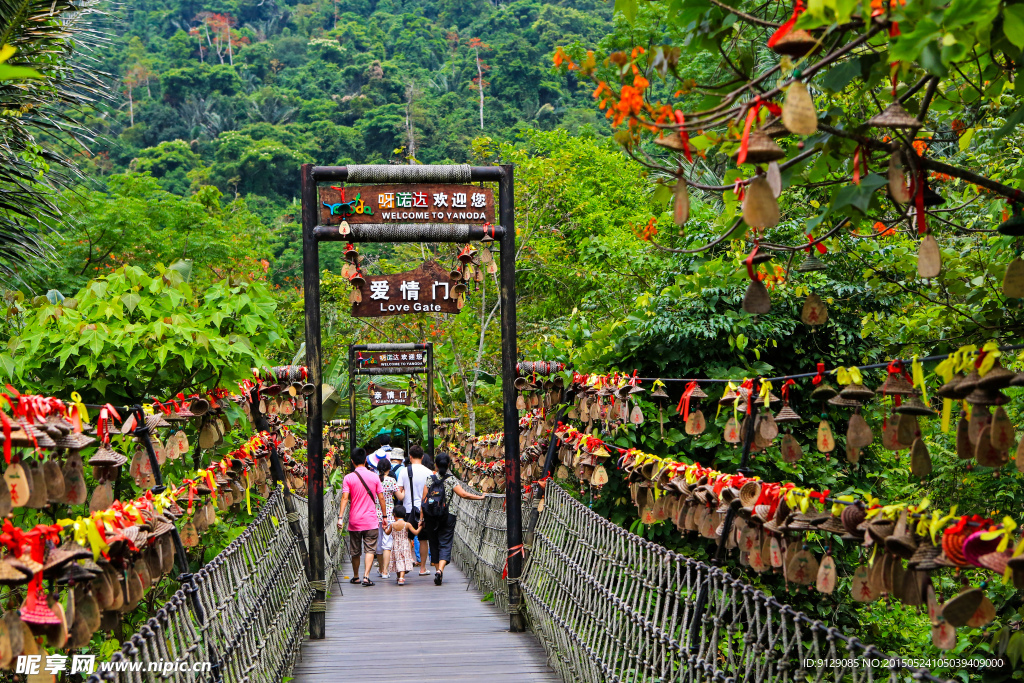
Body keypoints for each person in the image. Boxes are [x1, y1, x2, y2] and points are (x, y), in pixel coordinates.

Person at [421, 452, 484, 586]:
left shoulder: (430, 479)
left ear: (436, 465)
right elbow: (463, 494)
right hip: (448, 515)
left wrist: (422, 518)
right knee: (445, 542)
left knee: (434, 543)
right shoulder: (451, 479)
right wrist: (480, 497)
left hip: (431, 516)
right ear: (448, 464)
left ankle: (437, 569)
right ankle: (440, 570)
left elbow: (424, 500)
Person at [337, 448, 387, 586]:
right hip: (371, 520)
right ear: (365, 460)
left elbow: (345, 498)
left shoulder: (348, 478)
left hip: (355, 521)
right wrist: (384, 516)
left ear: (352, 461)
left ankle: (356, 576)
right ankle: (366, 576)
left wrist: (340, 517)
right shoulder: (374, 477)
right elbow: (381, 498)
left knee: (355, 550)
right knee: (370, 549)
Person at [396, 445, 433, 575]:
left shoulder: (404, 471)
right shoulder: (428, 472)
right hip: (423, 510)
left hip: (408, 509)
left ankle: (405, 565)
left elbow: (399, 492)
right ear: (422, 457)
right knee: (423, 539)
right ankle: (423, 568)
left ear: (410, 457)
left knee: (406, 538)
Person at [374, 457, 398, 578]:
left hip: (375, 514)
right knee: (387, 543)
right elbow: (399, 495)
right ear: (389, 468)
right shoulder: (391, 481)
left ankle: (380, 568)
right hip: (388, 515)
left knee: (378, 543)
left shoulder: (374, 480)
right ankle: (385, 571)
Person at [388, 504, 423, 585]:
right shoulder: (407, 524)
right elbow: (416, 532)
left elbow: (387, 533)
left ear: (394, 515)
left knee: (397, 560)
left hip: (395, 545)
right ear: (404, 515)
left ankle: (398, 576)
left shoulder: (392, 525)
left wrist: (384, 528)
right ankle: (401, 577)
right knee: (403, 561)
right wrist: (421, 526)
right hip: (405, 545)